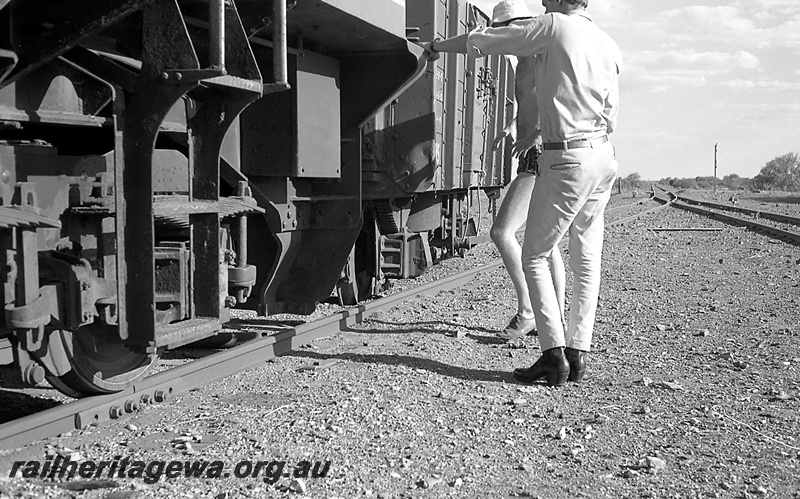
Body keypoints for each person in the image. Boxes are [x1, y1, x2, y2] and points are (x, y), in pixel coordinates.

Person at [423, 0, 621, 386]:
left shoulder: (553, 26)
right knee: (586, 257)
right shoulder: (607, 43)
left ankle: (552, 354)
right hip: (603, 155)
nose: (543, 3)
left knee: (535, 254)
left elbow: (485, 40)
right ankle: (578, 352)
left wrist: (436, 47)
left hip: (567, 156)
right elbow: (611, 113)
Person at [479, 1, 566, 342]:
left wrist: (537, 135)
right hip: (534, 151)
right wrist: (513, 126)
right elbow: (532, 104)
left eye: (505, 30)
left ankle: (529, 311)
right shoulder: (524, 60)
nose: (503, 38)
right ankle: (554, 317)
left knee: (502, 232)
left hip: (540, 154)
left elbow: (559, 102)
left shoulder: (542, 56)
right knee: (547, 242)